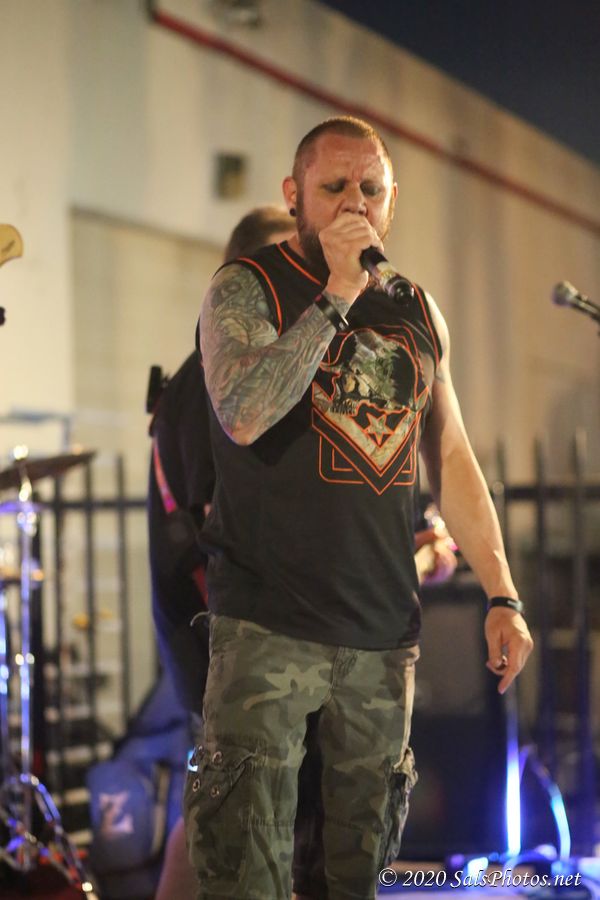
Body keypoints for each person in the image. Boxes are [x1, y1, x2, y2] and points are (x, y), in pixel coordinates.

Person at [185, 115, 533, 900]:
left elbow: (451, 456)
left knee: (359, 875)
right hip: (268, 626)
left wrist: (502, 593)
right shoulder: (247, 285)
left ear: (392, 199)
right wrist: (337, 292)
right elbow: (243, 412)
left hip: (381, 634)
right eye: (334, 187)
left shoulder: (417, 309)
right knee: (246, 872)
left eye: (371, 189)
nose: (354, 204)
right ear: (294, 194)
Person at [148, 205, 297, 900]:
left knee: (223, 809)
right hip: (222, 638)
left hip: (222, 635)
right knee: (225, 814)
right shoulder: (215, 379)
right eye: (285, 266)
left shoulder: (231, 372)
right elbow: (221, 528)